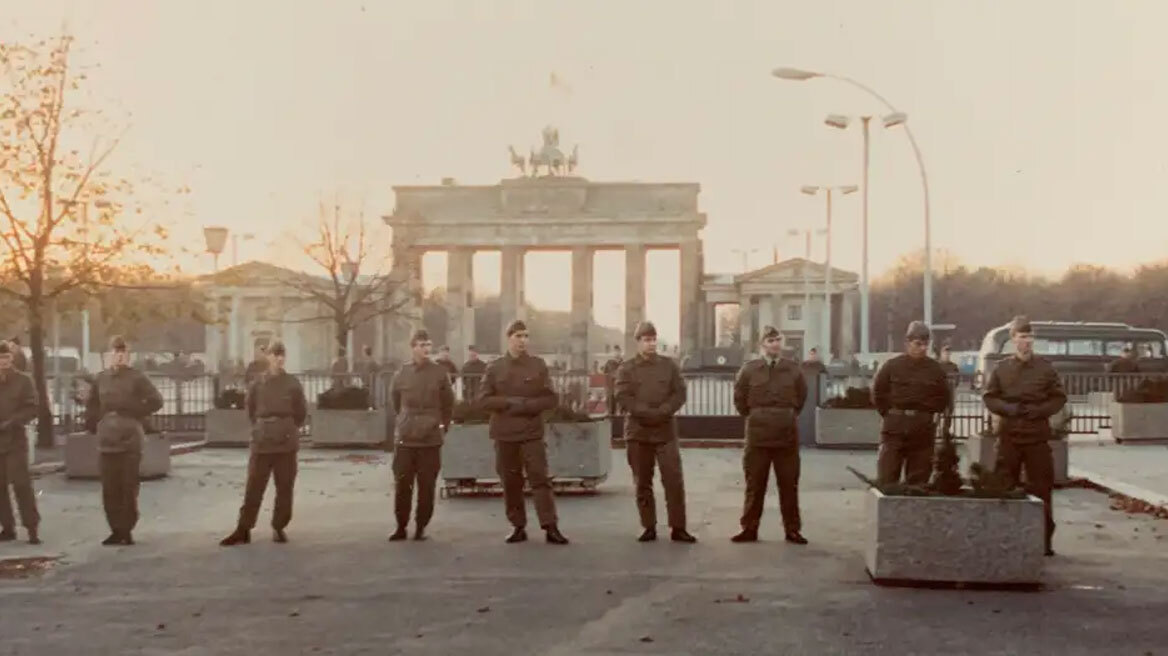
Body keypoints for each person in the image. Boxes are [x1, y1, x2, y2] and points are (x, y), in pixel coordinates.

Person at [477, 320, 568, 545]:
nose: (523, 341)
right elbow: (483, 400)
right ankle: (517, 526)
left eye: (526, 336)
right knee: (510, 481)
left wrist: (525, 406)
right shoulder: (494, 368)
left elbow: (550, 398)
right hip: (505, 434)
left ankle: (550, 526)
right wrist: (508, 402)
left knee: (540, 479)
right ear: (508, 338)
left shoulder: (538, 366)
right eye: (518, 336)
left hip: (531, 433)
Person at [982, 315, 1066, 557]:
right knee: (1003, 488)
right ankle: (1002, 538)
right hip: (1009, 437)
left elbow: (1059, 398)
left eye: (1029, 337)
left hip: (1037, 438)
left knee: (1042, 490)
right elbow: (990, 397)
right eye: (1021, 337)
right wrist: (1009, 410)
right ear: (1013, 339)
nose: (1026, 342)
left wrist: (1039, 411)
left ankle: (1043, 541)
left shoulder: (1045, 369)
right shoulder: (1002, 368)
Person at [614, 321, 695, 543]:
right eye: (646, 340)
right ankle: (648, 526)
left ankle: (678, 527)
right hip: (638, 432)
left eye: (653, 339)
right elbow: (622, 396)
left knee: (673, 480)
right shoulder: (626, 368)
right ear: (638, 342)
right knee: (642, 481)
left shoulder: (669, 366)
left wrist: (664, 410)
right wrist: (646, 412)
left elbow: (679, 393)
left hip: (665, 431)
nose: (650, 344)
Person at [220, 341, 307, 546]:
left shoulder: (293, 383)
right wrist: (262, 428)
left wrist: (287, 427)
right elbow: (250, 410)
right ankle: (244, 528)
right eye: (275, 354)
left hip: (285, 440)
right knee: (254, 486)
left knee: (284, 486)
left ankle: (279, 526)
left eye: (282, 355)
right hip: (262, 440)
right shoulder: (257, 384)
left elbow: (301, 413)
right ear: (267, 357)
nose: (279, 358)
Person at [731, 326, 808, 545]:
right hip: (758, 436)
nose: (775, 344)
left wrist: (786, 415)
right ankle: (749, 528)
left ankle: (792, 529)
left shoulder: (793, 370)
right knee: (755, 484)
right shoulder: (749, 370)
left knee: (788, 485)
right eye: (770, 340)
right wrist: (756, 415)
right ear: (762, 344)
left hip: (786, 436)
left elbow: (801, 397)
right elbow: (740, 399)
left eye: (777, 340)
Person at [85, 336, 164, 546]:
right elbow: (92, 404)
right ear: (108, 355)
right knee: (109, 487)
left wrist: (135, 411)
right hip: (107, 438)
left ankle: (126, 529)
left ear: (128, 356)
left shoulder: (137, 378)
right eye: (115, 352)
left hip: (130, 437)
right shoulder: (101, 378)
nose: (119, 356)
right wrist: (94, 423)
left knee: (128, 486)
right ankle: (115, 529)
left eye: (123, 353)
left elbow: (157, 401)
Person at [388, 329, 453, 542]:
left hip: (430, 439)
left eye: (428, 345)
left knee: (427, 486)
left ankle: (421, 527)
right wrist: (405, 422)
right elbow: (396, 401)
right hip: (406, 439)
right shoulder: (402, 373)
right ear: (413, 347)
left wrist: (442, 425)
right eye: (422, 345)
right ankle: (401, 526)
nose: (426, 349)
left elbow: (448, 403)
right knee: (402, 485)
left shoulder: (440, 373)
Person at [871, 322, 952, 485]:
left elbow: (943, 397)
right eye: (918, 344)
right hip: (895, 428)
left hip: (922, 430)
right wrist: (889, 414)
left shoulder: (935, 370)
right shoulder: (891, 366)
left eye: (925, 344)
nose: (922, 348)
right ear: (908, 343)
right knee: (887, 478)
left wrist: (928, 414)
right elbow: (878, 393)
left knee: (918, 481)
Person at [0, 341, 39, 544]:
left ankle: (32, 527)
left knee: (21, 484)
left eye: (6, 357)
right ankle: (7, 527)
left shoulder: (23, 381)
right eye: (0, 358)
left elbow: (32, 408)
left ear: (11, 358)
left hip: (15, 440)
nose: (3, 362)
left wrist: (13, 422)